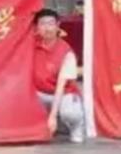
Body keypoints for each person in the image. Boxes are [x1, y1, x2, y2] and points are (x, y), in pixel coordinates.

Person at [32, 8, 85, 144]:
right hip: (40, 93)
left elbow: (61, 86)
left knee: (71, 114)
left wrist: (53, 116)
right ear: (36, 27)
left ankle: (76, 126)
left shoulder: (66, 53)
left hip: (63, 94)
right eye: (43, 24)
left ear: (58, 25)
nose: (47, 28)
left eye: (51, 23)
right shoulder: (31, 45)